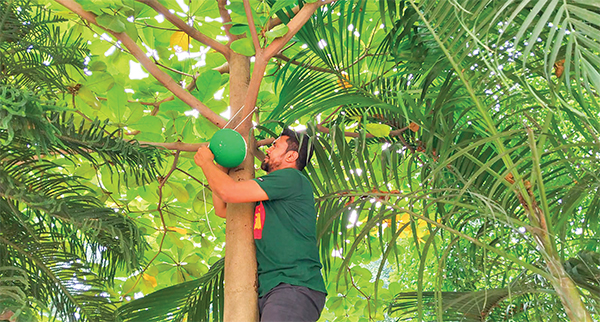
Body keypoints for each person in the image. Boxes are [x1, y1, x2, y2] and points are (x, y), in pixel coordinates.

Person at [194, 128, 327, 322]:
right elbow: (223, 209)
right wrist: (221, 168)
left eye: (275, 145)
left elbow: (229, 192)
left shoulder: (291, 178)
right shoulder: (268, 196)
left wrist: (206, 163)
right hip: (274, 289)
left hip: (293, 285)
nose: (269, 148)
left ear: (291, 156)